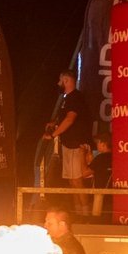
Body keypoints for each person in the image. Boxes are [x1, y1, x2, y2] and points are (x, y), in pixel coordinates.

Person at [44, 69, 91, 216]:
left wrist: (53, 135)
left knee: (77, 181)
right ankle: (78, 213)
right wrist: (54, 123)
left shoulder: (75, 97)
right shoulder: (67, 98)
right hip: (68, 144)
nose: (58, 83)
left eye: (60, 80)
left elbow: (70, 119)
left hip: (76, 145)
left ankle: (86, 215)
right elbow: (65, 118)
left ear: (66, 81)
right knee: (72, 182)